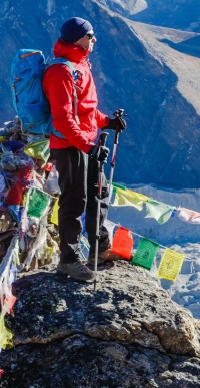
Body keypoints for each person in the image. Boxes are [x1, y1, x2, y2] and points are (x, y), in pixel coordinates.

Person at [42, 17, 126, 282]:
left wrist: (107, 122)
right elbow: (63, 119)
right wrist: (88, 146)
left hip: (86, 144)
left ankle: (99, 250)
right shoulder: (60, 71)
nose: (94, 39)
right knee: (74, 201)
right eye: (90, 35)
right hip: (69, 146)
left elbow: (85, 112)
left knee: (98, 195)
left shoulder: (80, 65)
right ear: (77, 38)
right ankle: (68, 260)